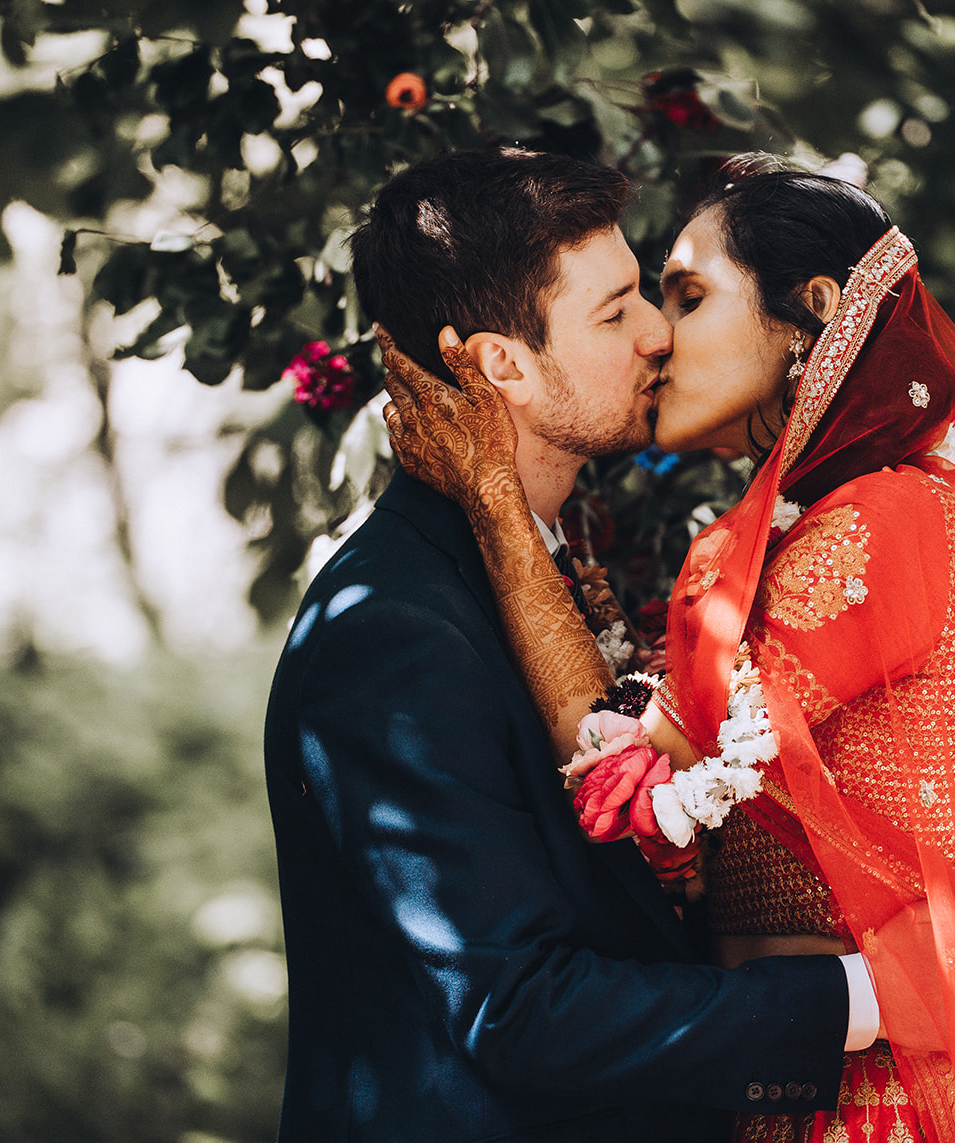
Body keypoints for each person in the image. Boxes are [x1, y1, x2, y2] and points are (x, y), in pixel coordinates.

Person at [381, 159, 955, 1143]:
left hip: (882, 1104)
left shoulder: (881, 524)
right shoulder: (869, 514)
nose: (656, 334)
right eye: (641, 303)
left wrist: (496, 510)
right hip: (833, 1076)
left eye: (686, 296)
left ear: (809, 313)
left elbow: (624, 790)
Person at [262, 148, 894, 1143]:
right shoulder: (392, 634)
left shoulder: (564, 563)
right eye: (615, 312)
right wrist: (866, 997)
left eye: (650, 295)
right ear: (501, 366)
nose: (656, 335)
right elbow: (513, 1008)